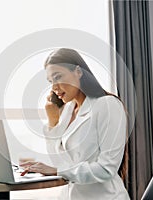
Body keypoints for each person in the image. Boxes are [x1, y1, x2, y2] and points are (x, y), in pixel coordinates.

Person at [20, 48, 130, 200]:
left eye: (58, 77)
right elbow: (59, 162)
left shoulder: (108, 105)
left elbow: (106, 169)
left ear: (78, 71)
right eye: (51, 81)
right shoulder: (67, 110)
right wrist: (53, 122)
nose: (54, 87)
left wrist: (56, 171)